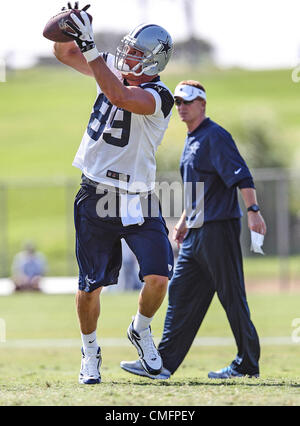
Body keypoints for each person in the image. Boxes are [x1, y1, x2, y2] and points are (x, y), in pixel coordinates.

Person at [52, 2, 174, 384]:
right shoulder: (109, 66)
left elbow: (120, 97)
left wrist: (91, 50)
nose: (128, 56)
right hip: (96, 194)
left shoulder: (160, 97)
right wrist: (70, 24)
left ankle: (140, 329)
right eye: (129, 48)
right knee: (91, 287)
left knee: (158, 276)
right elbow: (62, 50)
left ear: (154, 61)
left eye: (138, 53)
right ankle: (90, 352)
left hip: (137, 195)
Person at [121, 80, 267, 380]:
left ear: (202, 103)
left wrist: (253, 211)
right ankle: (162, 364)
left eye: (188, 101)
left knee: (231, 296)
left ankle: (247, 364)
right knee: (180, 292)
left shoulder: (215, 136)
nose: (182, 107)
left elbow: (241, 175)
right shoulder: (192, 139)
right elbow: (201, 187)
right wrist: (186, 219)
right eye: (178, 102)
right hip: (196, 232)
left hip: (219, 229)